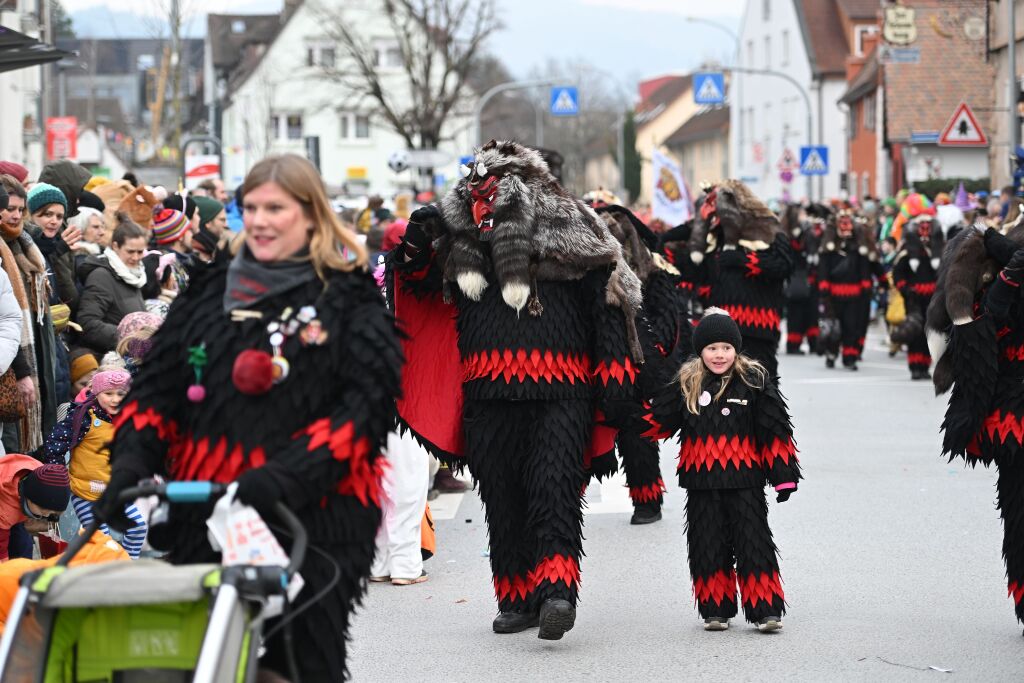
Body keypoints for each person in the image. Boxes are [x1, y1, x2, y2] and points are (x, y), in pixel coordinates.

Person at [100, 154, 401, 681]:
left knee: (302, 660)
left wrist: (284, 476)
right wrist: (129, 462)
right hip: (210, 509)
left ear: (310, 214)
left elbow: (365, 408)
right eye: (251, 207)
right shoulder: (209, 289)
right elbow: (158, 387)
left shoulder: (348, 297)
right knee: (205, 659)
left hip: (318, 514)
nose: (259, 220)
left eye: (275, 208)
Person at [389, 141, 640, 640]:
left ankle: (557, 591)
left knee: (553, 487)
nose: (481, 201)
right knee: (501, 497)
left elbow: (609, 300)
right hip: (487, 391)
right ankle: (516, 596)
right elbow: (414, 288)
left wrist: (616, 377)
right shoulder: (459, 238)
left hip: (562, 389)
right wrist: (417, 242)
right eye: (474, 192)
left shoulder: (573, 225)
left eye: (490, 190)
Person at [643, 309, 801, 632]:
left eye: (726, 348)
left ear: (736, 349)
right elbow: (657, 421)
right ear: (701, 350)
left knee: (753, 542)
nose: (719, 355)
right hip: (701, 482)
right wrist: (628, 409)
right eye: (712, 348)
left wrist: (783, 476)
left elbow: (775, 429)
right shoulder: (686, 383)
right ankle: (716, 607)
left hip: (745, 481)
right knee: (707, 543)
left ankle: (766, 609)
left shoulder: (753, 381)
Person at [40, 369, 146, 558]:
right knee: (100, 537)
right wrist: (58, 476)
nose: (115, 399)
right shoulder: (84, 417)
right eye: (108, 394)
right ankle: (100, 573)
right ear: (97, 394)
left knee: (137, 527)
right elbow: (55, 443)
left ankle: (128, 564)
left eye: (121, 394)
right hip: (84, 491)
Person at [76, 213, 148, 354]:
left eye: (140, 252)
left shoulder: (133, 274)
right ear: (115, 246)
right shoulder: (101, 276)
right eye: (130, 251)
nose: (136, 257)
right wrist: (130, 338)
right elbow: (87, 323)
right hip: (113, 355)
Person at [0, 457, 70, 561]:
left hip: (19, 504)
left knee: (23, 546)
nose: (46, 515)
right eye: (42, 509)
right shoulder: (6, 511)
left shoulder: (43, 475)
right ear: (28, 497)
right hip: (4, 505)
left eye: (52, 513)